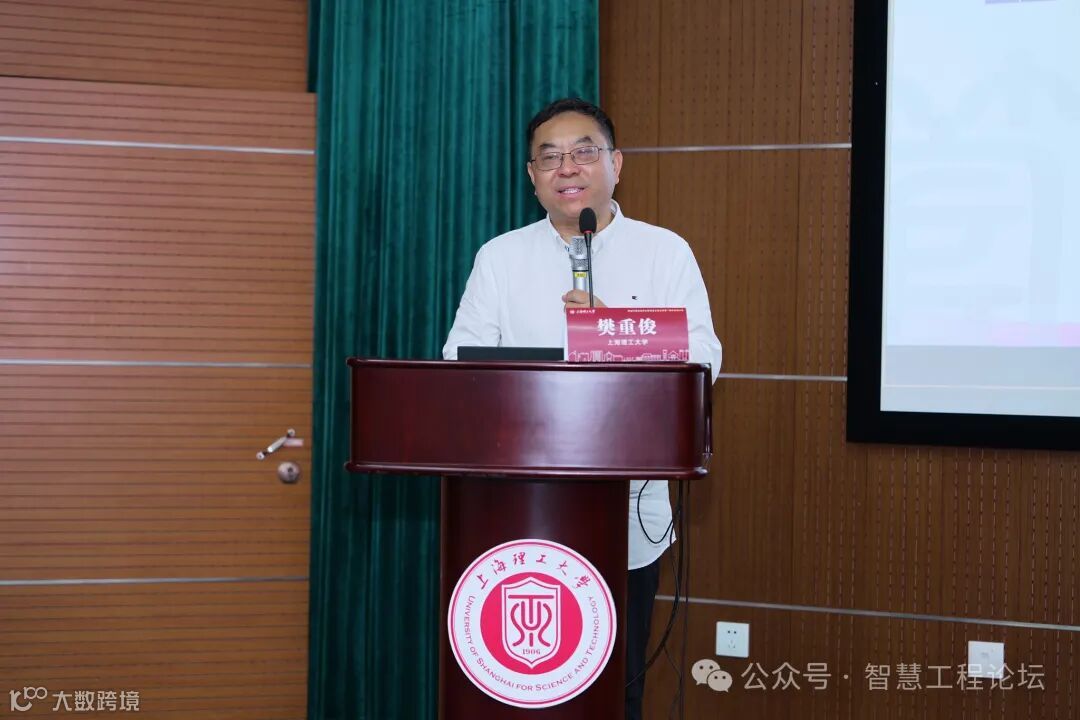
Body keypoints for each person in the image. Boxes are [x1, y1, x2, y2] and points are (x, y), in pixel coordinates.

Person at [442, 97, 722, 719]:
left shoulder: (664, 252)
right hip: (516, 512)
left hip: (628, 512)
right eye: (550, 157)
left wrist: (609, 332)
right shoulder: (500, 257)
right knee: (520, 687)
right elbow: (461, 362)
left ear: (616, 164)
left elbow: (702, 360)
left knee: (615, 685)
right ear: (532, 175)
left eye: (584, 152)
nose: (567, 167)